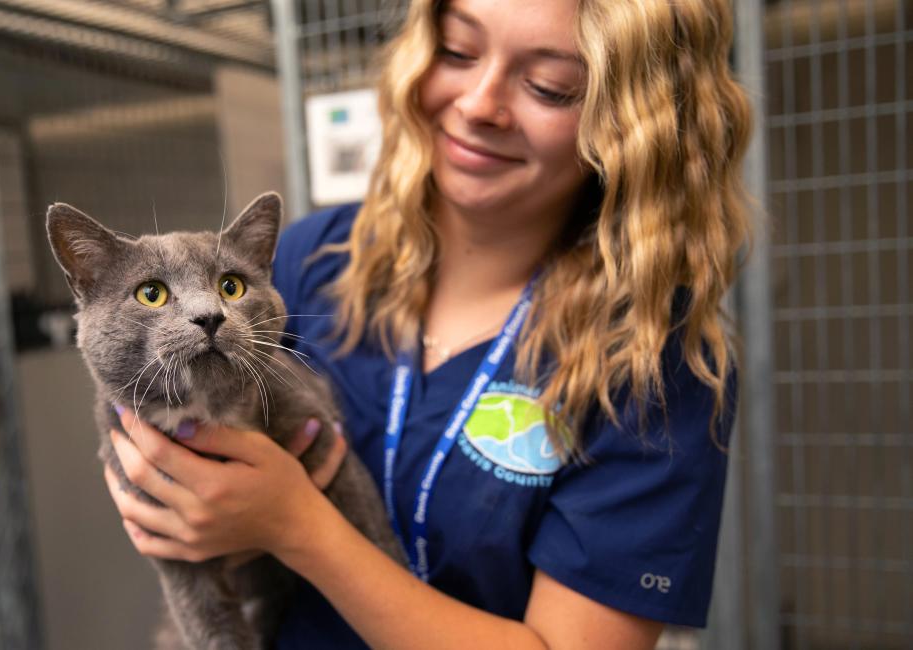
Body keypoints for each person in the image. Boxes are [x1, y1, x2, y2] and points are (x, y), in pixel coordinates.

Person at [103, 0, 750, 646]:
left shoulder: (653, 361)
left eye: (549, 87)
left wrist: (298, 527)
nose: (478, 104)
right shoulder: (314, 262)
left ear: (633, 124)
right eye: (458, 52)